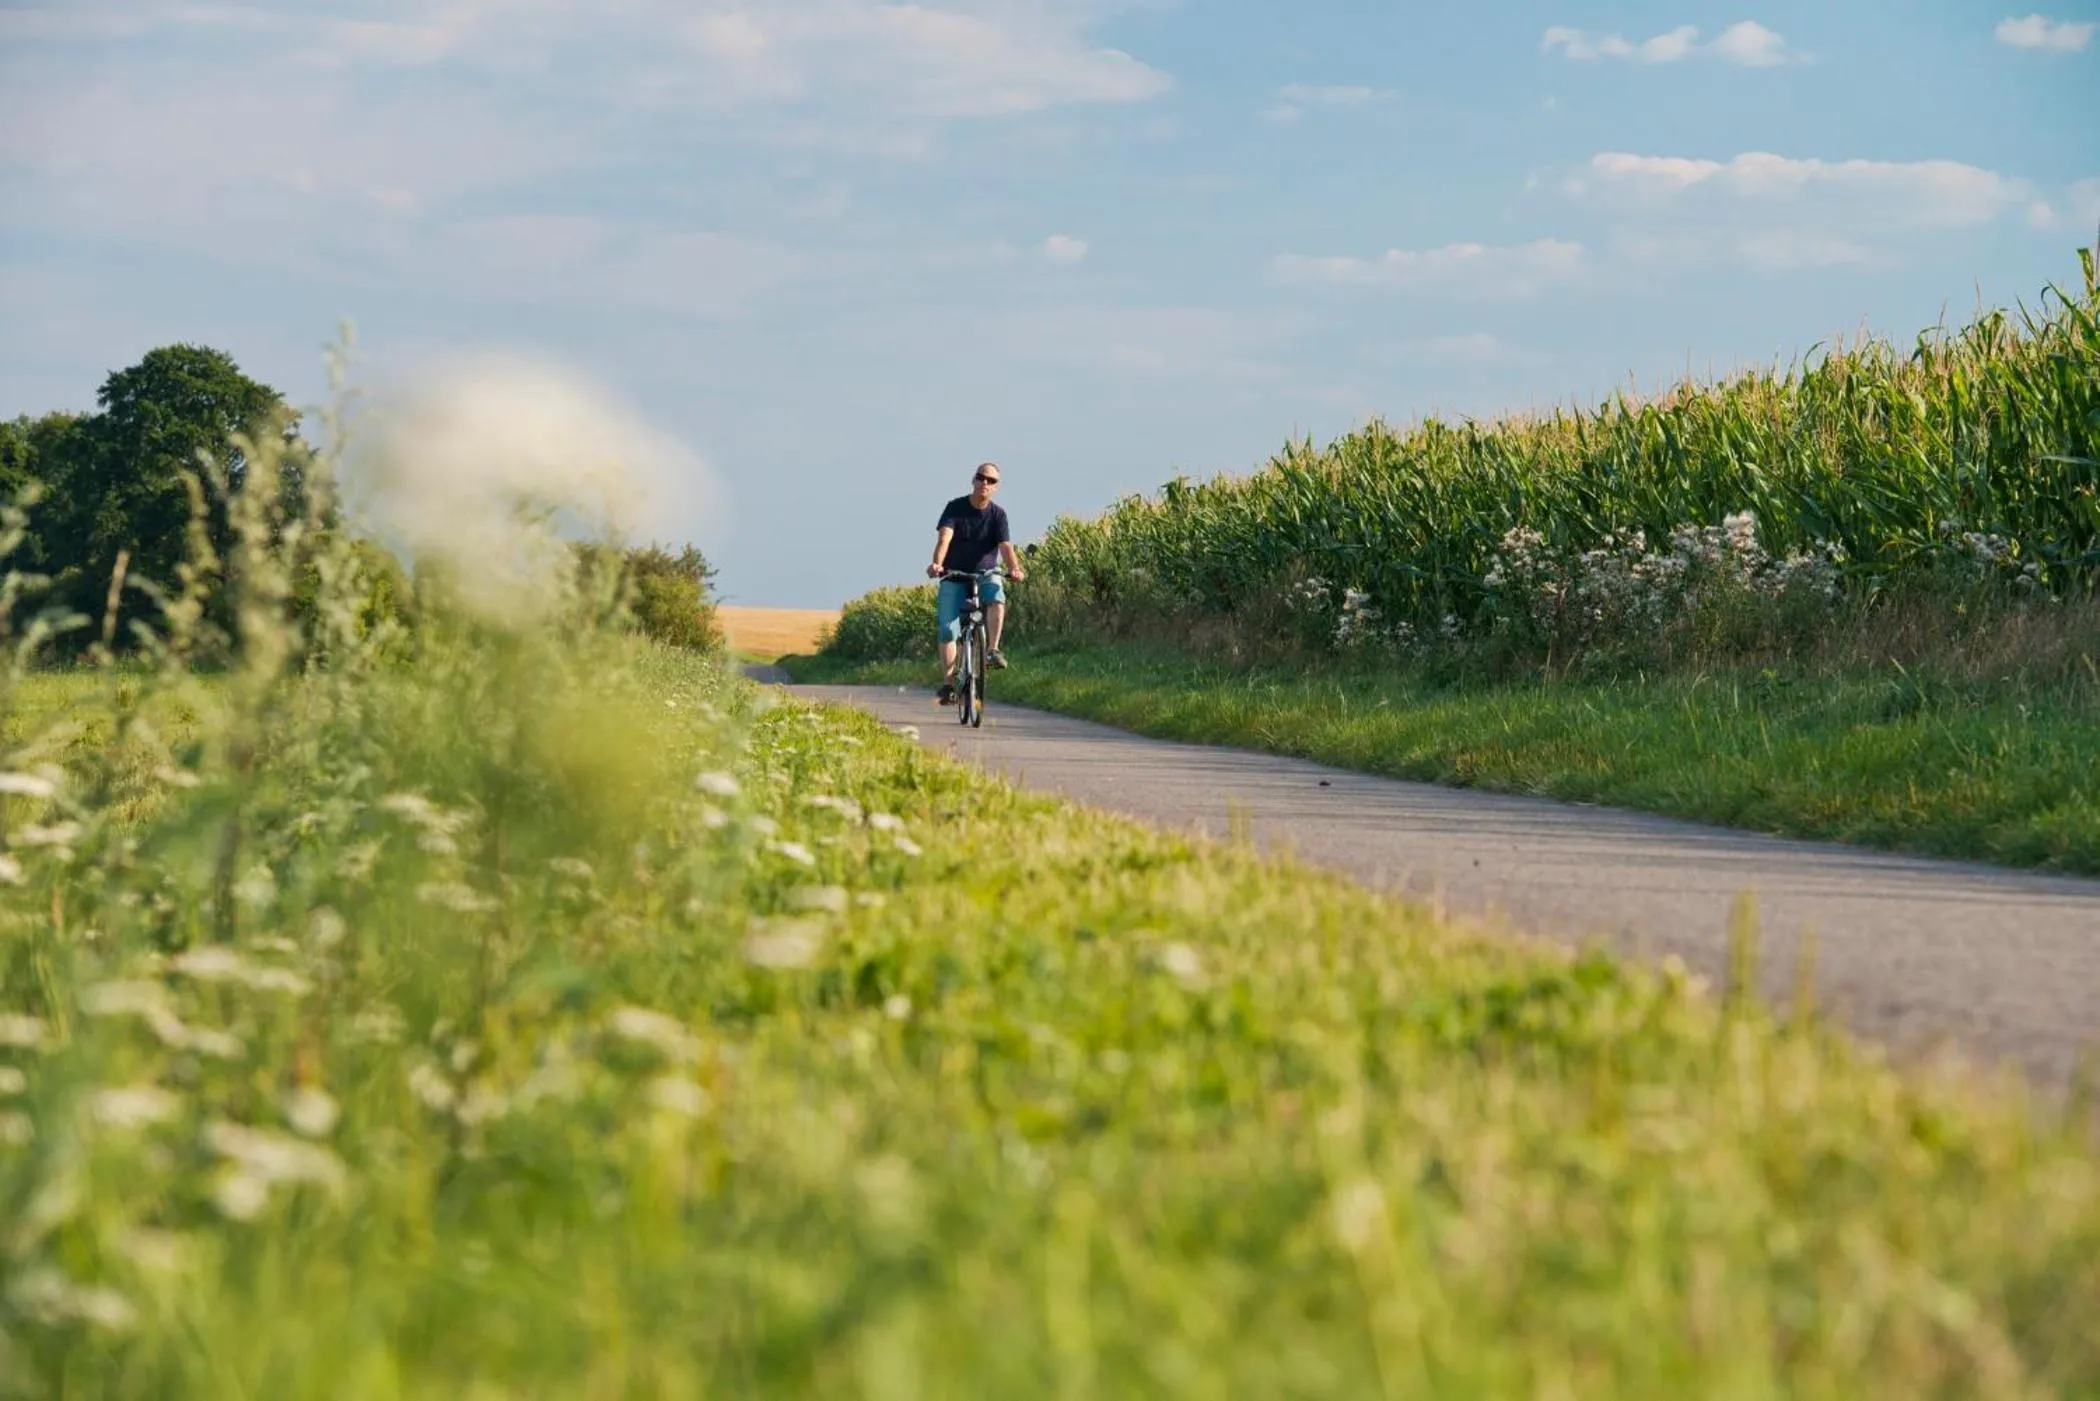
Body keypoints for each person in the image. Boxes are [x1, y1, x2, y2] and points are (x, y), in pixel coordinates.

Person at [926, 461, 1026, 704]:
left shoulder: (998, 515)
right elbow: (944, 538)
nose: (985, 483)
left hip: (986, 573)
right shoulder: (955, 508)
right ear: (973, 480)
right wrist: (937, 564)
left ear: (996, 487)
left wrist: (1014, 569)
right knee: (948, 630)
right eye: (981, 477)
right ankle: (948, 685)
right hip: (954, 575)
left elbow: (1005, 546)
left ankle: (992, 650)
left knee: (997, 597)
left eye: (991, 481)